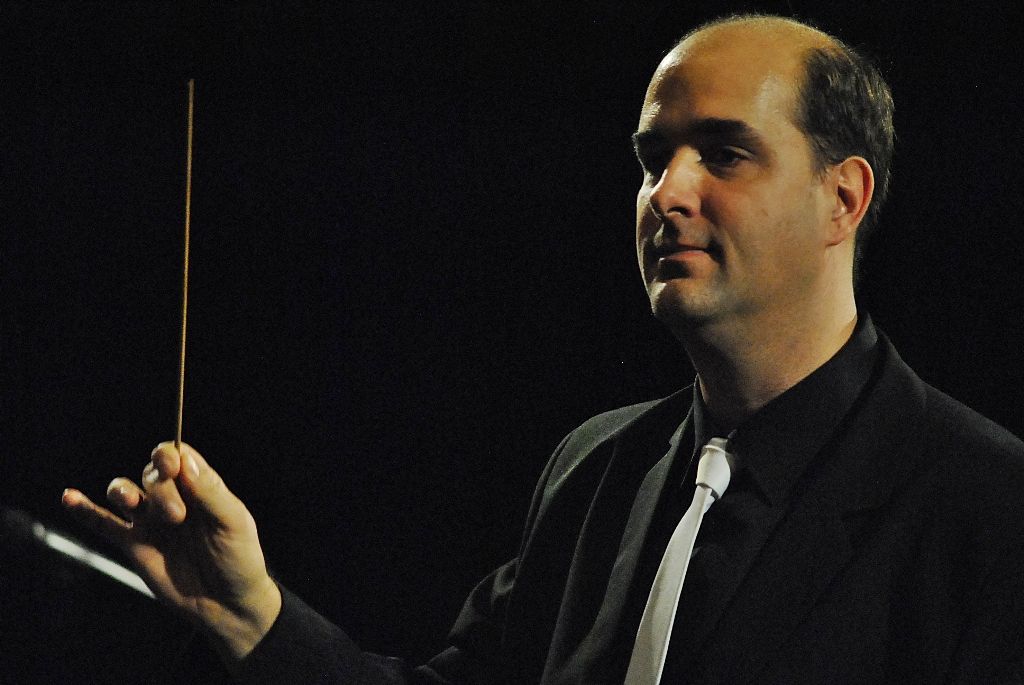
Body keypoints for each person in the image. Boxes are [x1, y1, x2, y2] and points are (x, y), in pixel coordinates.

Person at [63, 14, 1024, 684]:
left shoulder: (988, 507)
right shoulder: (597, 467)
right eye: (652, 159)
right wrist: (250, 612)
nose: (667, 193)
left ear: (843, 198)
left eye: (724, 152)